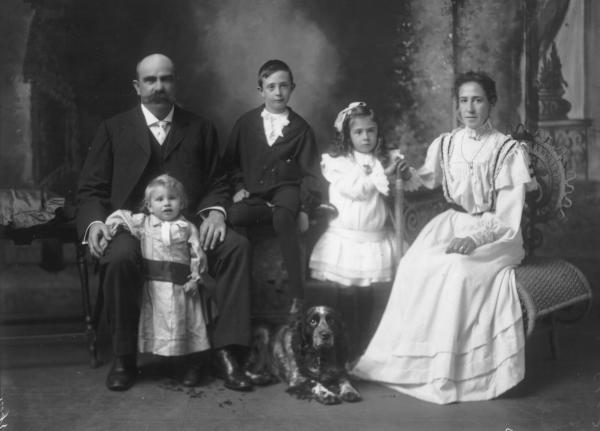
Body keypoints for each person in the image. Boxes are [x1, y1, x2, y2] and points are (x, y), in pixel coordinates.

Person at [352, 71, 535, 404]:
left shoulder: (507, 150)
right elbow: (426, 180)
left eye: (477, 100)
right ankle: (412, 365)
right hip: (454, 224)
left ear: (491, 103)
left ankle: (452, 370)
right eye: (463, 100)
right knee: (413, 264)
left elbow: (508, 217)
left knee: (458, 272)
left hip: (497, 235)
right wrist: (407, 174)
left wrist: (476, 239)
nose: (469, 108)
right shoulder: (447, 143)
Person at [77, 53, 253, 392]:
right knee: (118, 257)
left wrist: (216, 211)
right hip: (133, 227)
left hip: (186, 225)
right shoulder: (114, 129)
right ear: (137, 86)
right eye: (150, 80)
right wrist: (96, 225)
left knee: (236, 246)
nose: (159, 87)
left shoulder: (200, 127)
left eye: (166, 79)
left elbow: (218, 182)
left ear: (176, 82)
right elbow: (90, 189)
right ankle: (125, 357)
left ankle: (226, 352)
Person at [223, 59, 323, 314]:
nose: (278, 93)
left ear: (292, 88)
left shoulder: (300, 129)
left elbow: (311, 174)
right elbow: (231, 163)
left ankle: (297, 294)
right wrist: (238, 187)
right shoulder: (246, 124)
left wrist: (304, 208)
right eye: (271, 87)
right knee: (236, 214)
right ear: (261, 91)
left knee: (283, 218)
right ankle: (240, 293)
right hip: (254, 192)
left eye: (284, 86)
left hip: (287, 189)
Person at [104, 175, 210, 386]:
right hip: (154, 286)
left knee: (184, 323)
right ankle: (161, 364)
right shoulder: (144, 223)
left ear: (182, 203)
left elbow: (197, 255)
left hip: (181, 286)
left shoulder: (187, 227)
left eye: (172, 198)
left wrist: (194, 278)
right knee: (159, 324)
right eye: (159, 199)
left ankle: (188, 366)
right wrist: (108, 227)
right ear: (149, 206)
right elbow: (121, 217)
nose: (167, 203)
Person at [309, 102, 402, 288]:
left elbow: (399, 190)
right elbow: (356, 190)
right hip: (346, 238)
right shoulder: (338, 162)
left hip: (377, 238)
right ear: (347, 135)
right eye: (358, 132)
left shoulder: (385, 159)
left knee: (375, 291)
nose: (366, 137)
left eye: (371, 131)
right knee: (345, 288)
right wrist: (383, 174)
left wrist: (403, 174)